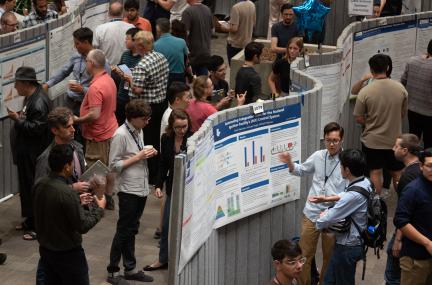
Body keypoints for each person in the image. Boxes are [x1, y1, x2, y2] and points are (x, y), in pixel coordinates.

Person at [278, 122, 346, 285]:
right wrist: (289, 163)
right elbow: (301, 170)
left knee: (329, 257)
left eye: (335, 140)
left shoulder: (347, 160)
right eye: (328, 140)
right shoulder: (318, 156)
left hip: (333, 216)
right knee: (304, 256)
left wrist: (330, 201)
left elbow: (350, 191)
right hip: (312, 213)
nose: (331, 144)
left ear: (341, 140)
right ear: (324, 139)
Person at [34, 144, 106, 285]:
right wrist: (100, 209)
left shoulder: (40, 184)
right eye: (72, 162)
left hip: (46, 251)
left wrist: (76, 201)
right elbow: (82, 225)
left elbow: (51, 207)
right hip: (68, 254)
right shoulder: (67, 193)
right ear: (67, 166)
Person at [106, 100, 157, 284]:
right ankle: (112, 271)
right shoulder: (120, 135)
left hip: (141, 187)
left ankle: (131, 268)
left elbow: (135, 153)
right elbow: (113, 165)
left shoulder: (138, 130)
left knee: (131, 230)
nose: (147, 122)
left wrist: (147, 152)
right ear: (133, 118)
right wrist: (139, 156)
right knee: (123, 231)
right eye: (144, 119)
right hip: (128, 190)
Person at [8, 66, 52, 241]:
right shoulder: (31, 98)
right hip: (27, 153)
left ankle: (36, 226)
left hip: (34, 154)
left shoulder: (38, 102)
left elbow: (36, 129)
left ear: (26, 83)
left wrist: (17, 120)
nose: (15, 87)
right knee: (26, 188)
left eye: (17, 83)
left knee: (33, 189)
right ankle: (29, 219)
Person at [144, 109, 192, 272]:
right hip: (172, 185)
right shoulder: (166, 139)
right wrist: (158, 185)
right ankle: (162, 258)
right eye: (178, 127)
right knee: (165, 224)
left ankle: (183, 259)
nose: (182, 130)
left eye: (184, 126)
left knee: (186, 225)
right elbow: (163, 164)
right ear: (172, 126)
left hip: (190, 186)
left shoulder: (193, 138)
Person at [316, 149, 373, 285]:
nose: (340, 168)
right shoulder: (365, 181)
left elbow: (326, 219)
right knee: (329, 281)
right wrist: (327, 198)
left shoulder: (352, 196)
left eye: (341, 166)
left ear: (347, 170)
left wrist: (321, 217)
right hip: (353, 243)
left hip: (347, 247)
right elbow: (348, 194)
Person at [353, 54, 407, 195]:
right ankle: (404, 200)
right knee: (397, 173)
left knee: (375, 172)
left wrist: (370, 122)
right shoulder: (401, 89)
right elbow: (402, 114)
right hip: (394, 140)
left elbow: (358, 118)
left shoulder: (365, 92)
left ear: (371, 70)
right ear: (387, 68)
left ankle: (376, 204)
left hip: (372, 141)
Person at [74, 49, 118, 209]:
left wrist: (77, 120)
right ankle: (109, 198)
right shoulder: (109, 80)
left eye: (86, 61)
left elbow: (94, 114)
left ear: (91, 64)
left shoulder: (95, 87)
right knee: (109, 167)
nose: (85, 63)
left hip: (97, 134)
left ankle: (98, 203)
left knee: (95, 171)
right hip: (111, 129)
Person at [127, 30, 169, 183]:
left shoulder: (142, 65)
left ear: (140, 46)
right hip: (161, 104)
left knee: (148, 141)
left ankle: (151, 175)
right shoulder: (161, 57)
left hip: (147, 107)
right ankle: (158, 172)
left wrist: (128, 79)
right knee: (158, 138)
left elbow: (137, 89)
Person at [43, 28, 109, 116]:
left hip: (87, 103)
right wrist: (48, 84)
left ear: (86, 42)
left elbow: (105, 87)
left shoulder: (101, 60)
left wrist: (82, 89)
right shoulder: (76, 56)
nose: (75, 46)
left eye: (77, 43)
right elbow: (63, 72)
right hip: (70, 100)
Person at [384, 134, 422, 285]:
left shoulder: (407, 177)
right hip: (415, 228)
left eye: (396, 146)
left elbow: (404, 211)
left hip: (406, 231)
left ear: (405, 150)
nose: (393, 149)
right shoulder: (418, 169)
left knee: (393, 273)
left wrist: (398, 240)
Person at [394, 148, 432, 285]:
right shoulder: (413, 189)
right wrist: (427, 243)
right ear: (421, 166)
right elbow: (401, 220)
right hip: (416, 259)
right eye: (429, 166)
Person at [401, 39, 432, 149]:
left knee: (413, 139)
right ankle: (427, 164)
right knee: (429, 143)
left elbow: (403, 81)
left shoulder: (412, 61)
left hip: (412, 109)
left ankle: (413, 162)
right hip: (429, 113)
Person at [111, 27, 142, 125]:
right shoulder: (125, 54)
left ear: (135, 41)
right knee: (119, 122)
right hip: (122, 95)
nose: (125, 41)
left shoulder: (143, 58)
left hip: (134, 97)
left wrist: (128, 76)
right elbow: (121, 68)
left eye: (127, 39)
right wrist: (117, 70)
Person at [93, 0, 134, 65]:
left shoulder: (100, 29)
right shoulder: (131, 28)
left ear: (108, 13)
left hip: (107, 70)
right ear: (123, 13)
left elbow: (94, 51)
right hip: (127, 70)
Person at [218, 0, 256, 65]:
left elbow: (234, 29)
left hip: (235, 44)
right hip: (247, 43)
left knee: (234, 70)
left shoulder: (236, 7)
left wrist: (222, 28)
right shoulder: (252, 5)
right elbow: (253, 24)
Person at [182, 0, 213, 75]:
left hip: (193, 55)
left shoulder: (187, 12)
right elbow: (212, 29)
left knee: (191, 82)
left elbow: (185, 34)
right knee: (203, 82)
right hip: (205, 52)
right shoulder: (207, 9)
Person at [154, 17, 188, 84]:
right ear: (170, 29)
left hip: (163, 78)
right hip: (180, 77)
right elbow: (186, 60)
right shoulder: (182, 42)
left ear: (158, 29)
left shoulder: (155, 45)